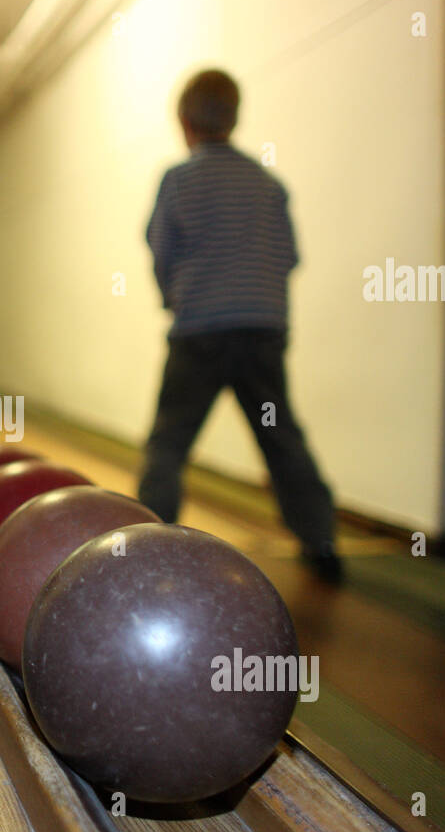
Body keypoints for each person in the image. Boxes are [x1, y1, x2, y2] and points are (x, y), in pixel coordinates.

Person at [138, 69, 343, 583]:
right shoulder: (269, 184)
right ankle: (322, 543)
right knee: (281, 438)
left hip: (199, 336)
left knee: (169, 442)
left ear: (184, 122)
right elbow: (289, 258)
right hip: (260, 335)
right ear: (234, 118)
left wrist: (173, 297)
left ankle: (150, 545)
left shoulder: (179, 180)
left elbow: (160, 249)